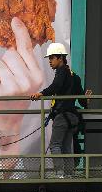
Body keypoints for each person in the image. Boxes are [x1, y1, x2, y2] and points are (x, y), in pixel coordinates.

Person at [30, 43, 92, 178]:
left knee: (55, 145)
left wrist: (41, 93)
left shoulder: (61, 71)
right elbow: (81, 101)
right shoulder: (75, 76)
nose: (50, 61)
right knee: (66, 147)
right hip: (72, 117)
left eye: (52, 58)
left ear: (60, 58)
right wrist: (86, 100)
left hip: (62, 116)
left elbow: (56, 86)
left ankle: (59, 173)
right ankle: (69, 173)